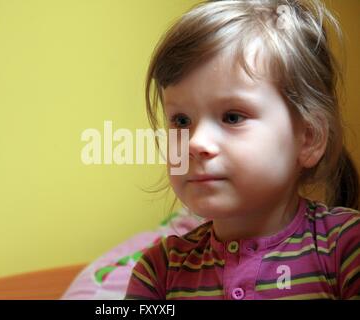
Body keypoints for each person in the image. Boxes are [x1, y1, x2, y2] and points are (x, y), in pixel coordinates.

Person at [125, 0, 360, 300]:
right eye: (181, 121)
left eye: (232, 117)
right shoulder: (159, 272)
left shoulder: (346, 249)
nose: (195, 143)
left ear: (309, 138)